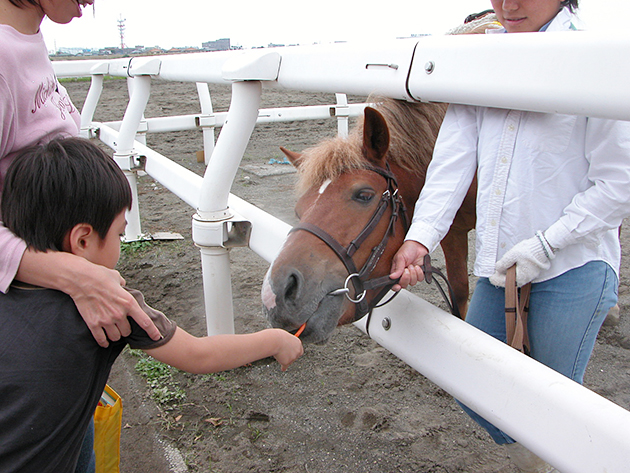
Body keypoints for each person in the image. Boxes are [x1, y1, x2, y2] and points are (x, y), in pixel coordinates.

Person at [390, 1, 630, 472]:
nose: (507, 5)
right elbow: (452, 163)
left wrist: (548, 243)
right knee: (474, 383)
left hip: (573, 267)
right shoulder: (481, 59)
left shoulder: (596, 57)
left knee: (552, 407)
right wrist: (419, 238)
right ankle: (538, 454)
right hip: (501, 268)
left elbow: (619, 182)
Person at [0, 137, 304, 473]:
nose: (119, 243)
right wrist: (275, 340)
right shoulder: (112, 306)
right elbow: (198, 355)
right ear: (83, 240)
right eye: (118, 234)